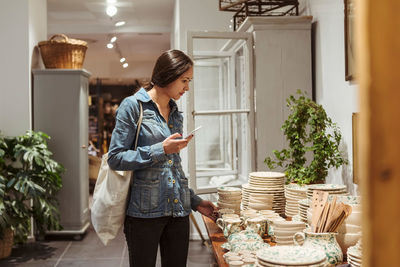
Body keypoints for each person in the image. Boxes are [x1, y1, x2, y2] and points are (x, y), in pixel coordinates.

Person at [107, 49, 217, 267]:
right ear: (168, 75)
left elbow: (173, 168)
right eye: (184, 80)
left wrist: (195, 202)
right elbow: (116, 157)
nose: (187, 87)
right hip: (144, 214)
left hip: (178, 211)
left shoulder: (175, 111)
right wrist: (161, 150)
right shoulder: (133, 106)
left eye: (190, 81)